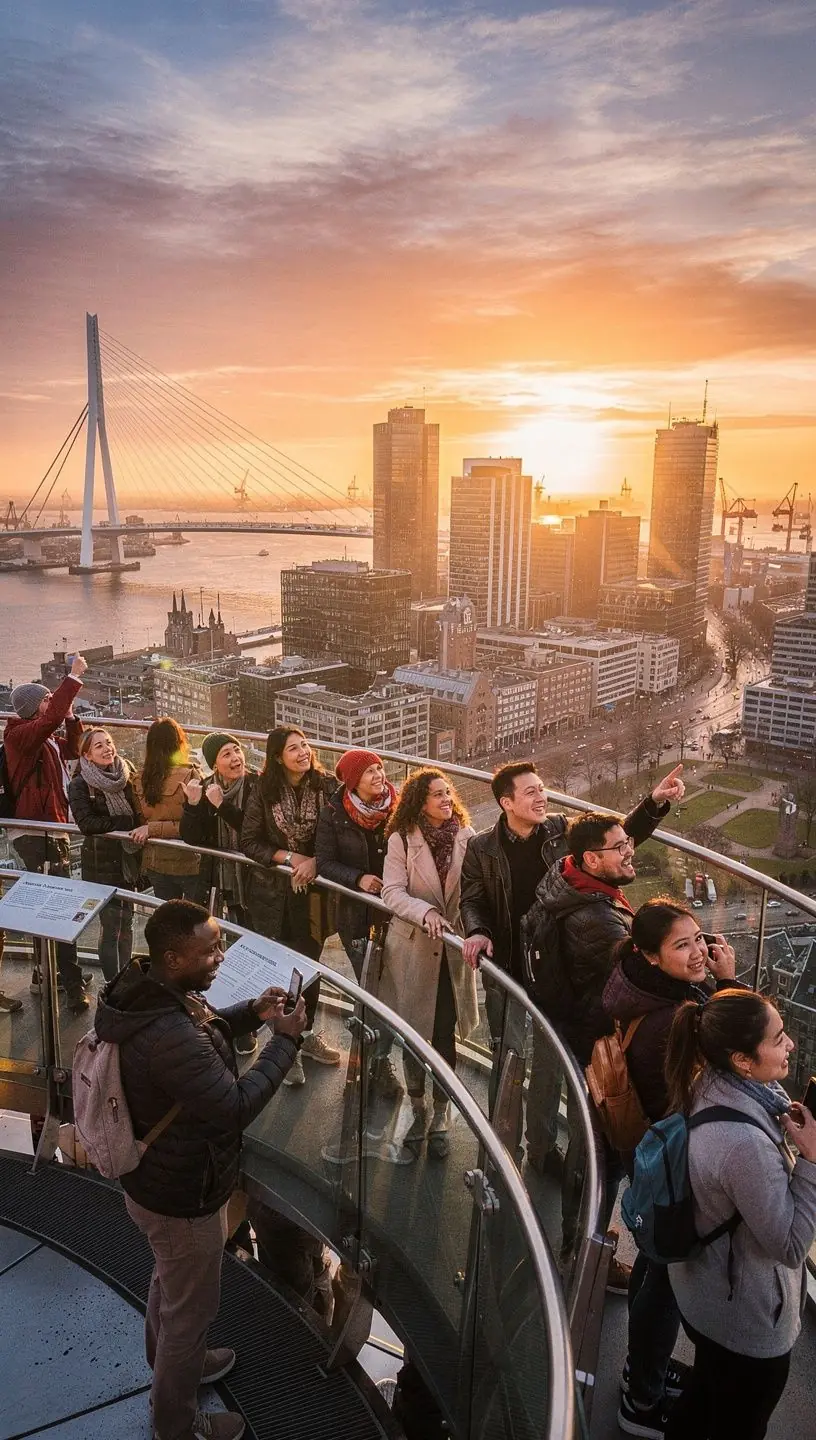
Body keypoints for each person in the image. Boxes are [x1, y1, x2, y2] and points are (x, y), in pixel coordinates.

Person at [95, 898, 307, 1440]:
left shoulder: (151, 994)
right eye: (209, 950)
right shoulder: (168, 1035)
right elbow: (234, 1106)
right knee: (189, 1311)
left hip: (157, 1184)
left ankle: (170, 1357)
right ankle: (176, 1423)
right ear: (172, 957)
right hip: (181, 1194)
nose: (220, 957)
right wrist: (284, 1042)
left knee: (172, 1281)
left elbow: (203, 1031)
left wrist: (253, 1013)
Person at [459, 761, 684, 1174]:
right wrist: (476, 930)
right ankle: (502, 1147)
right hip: (508, 968)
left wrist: (653, 804)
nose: (542, 796)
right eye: (531, 792)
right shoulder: (482, 848)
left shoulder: (560, 832)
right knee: (507, 1058)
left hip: (553, 974)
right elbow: (471, 898)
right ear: (506, 802)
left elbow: (614, 842)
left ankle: (541, 1149)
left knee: (548, 1063)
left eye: (542, 788)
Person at [533, 785, 684, 1278]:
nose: (630, 851)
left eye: (628, 843)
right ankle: (584, 1252)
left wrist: (652, 805)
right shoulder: (598, 923)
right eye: (620, 849)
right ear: (592, 862)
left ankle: (584, 1242)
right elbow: (640, 980)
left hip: (573, 1033)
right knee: (604, 1157)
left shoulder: (568, 879)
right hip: (598, 1049)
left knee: (591, 1149)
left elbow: (609, 839)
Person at [602, 902, 739, 1438]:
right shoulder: (671, 1017)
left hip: (648, 1151)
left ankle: (644, 1371)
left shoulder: (639, 985)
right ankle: (642, 1400)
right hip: (674, 1161)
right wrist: (726, 986)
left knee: (653, 1265)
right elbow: (737, 1061)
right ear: (648, 955)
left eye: (699, 939)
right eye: (681, 946)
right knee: (664, 1277)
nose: (698, 952)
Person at [662, 989, 816, 1440]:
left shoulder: (710, 1080)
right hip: (744, 1322)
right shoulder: (743, 1144)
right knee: (740, 1421)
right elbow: (789, 1246)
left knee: (705, 1396)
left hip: (703, 1295)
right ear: (743, 1060)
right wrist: (810, 1162)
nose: (790, 1045)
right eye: (779, 1037)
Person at [380, 769, 479, 1158]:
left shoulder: (467, 839)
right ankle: (418, 1108)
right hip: (413, 950)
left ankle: (441, 1115)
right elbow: (392, 891)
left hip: (451, 951)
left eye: (447, 793)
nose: (446, 800)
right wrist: (425, 913)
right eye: (436, 795)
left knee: (443, 1033)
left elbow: (475, 891)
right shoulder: (402, 839)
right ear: (419, 802)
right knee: (414, 1034)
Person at [241, 727, 340, 1086]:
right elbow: (249, 841)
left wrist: (314, 860)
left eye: (305, 745)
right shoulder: (262, 789)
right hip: (273, 895)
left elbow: (336, 835)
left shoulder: (327, 785)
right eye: (293, 748)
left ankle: (304, 1035)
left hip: (312, 895)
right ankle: (286, 1043)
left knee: (309, 968)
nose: (303, 752)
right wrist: (289, 856)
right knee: (283, 971)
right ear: (277, 756)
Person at [5, 655, 90, 1014]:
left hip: (51, 827)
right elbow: (51, 715)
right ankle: (70, 982)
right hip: (35, 829)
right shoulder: (20, 735)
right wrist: (72, 678)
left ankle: (47, 972)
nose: (49, 702)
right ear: (31, 709)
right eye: (43, 699)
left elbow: (73, 747)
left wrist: (70, 719)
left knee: (52, 901)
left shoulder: (43, 738)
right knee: (59, 904)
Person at [315, 747, 401, 1096]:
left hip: (394, 915)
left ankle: (376, 1061)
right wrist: (358, 879)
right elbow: (324, 862)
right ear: (353, 781)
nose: (379, 776)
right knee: (372, 989)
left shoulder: (397, 808)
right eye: (369, 772)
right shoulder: (334, 813)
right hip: (356, 916)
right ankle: (372, 1063)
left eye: (380, 768)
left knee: (388, 992)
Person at [68, 728, 145, 983]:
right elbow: (86, 823)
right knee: (112, 927)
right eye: (98, 746)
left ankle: (128, 976)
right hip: (100, 864)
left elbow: (141, 809)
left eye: (109, 743)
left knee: (128, 923)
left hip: (127, 862)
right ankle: (114, 982)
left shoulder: (126, 773)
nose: (106, 749)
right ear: (87, 755)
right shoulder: (80, 783)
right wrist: (123, 823)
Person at [179, 731, 258, 927]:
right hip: (217, 877)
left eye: (237, 750)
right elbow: (191, 837)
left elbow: (253, 829)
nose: (235, 758)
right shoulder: (205, 788)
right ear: (214, 765)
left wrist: (222, 806)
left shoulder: (256, 784)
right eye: (226, 754)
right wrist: (193, 804)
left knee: (250, 931)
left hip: (251, 875)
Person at [133, 717, 204, 903]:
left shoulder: (139, 779)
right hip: (188, 862)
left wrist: (151, 829)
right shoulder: (191, 776)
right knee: (194, 922)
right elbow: (194, 827)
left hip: (155, 861)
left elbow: (142, 822)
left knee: (167, 920)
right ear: (179, 743)